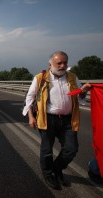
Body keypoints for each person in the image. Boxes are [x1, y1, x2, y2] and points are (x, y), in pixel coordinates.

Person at [22, 51, 91, 190]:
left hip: (67, 120)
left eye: (65, 62)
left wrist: (83, 91)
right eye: (59, 63)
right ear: (50, 64)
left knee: (71, 149)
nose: (63, 65)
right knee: (47, 150)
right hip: (48, 120)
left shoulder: (72, 77)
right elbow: (29, 98)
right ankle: (48, 174)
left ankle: (57, 168)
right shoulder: (41, 78)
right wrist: (30, 116)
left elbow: (80, 98)